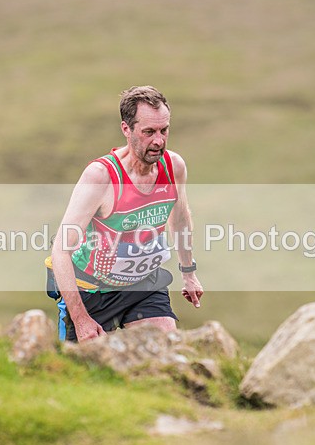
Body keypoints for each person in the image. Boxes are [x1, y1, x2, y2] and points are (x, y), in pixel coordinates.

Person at [47, 86, 204, 342]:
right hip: (92, 291)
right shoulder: (101, 177)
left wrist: (189, 273)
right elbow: (61, 250)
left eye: (164, 130)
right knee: (87, 375)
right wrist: (81, 318)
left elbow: (180, 218)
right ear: (126, 129)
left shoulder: (174, 166)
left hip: (144, 285)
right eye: (149, 132)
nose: (159, 141)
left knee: (165, 355)